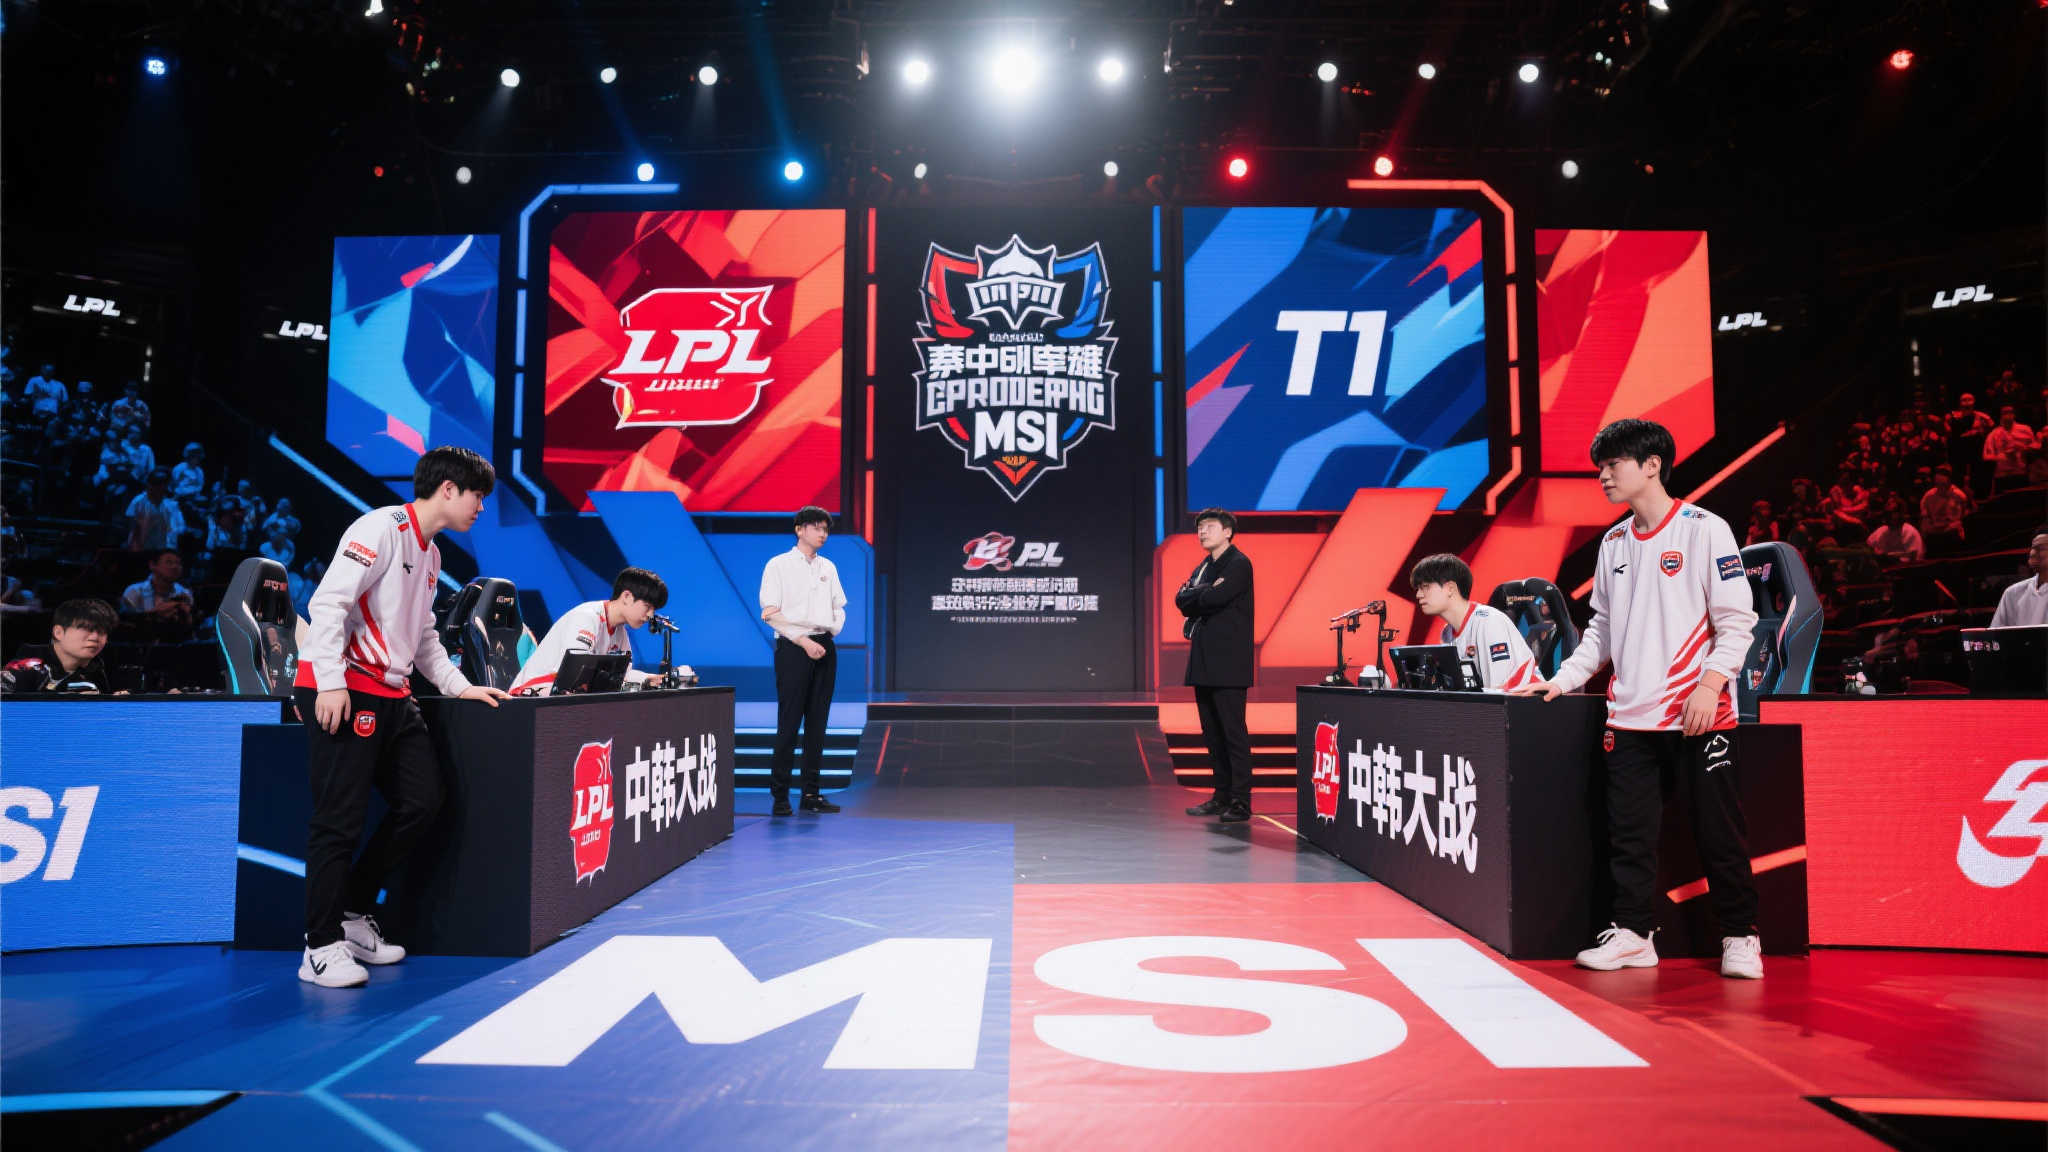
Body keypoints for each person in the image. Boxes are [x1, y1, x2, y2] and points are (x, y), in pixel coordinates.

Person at [1514, 418, 1764, 979]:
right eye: (1600, 467)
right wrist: (1562, 680)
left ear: (1652, 465)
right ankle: (1633, 935)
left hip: (1698, 714)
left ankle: (1741, 936)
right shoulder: (1613, 543)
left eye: (1613, 465)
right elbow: (1601, 631)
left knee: (1719, 832)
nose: (1603, 476)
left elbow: (1737, 621)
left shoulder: (1705, 529)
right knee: (1629, 836)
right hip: (1628, 717)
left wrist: (1709, 685)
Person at [291, 446, 510, 988]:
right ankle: (319, 947)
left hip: (392, 693)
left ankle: (352, 913)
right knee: (338, 822)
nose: (481, 507)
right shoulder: (379, 528)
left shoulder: (431, 555)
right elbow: (328, 605)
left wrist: (461, 687)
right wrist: (331, 682)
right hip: (343, 687)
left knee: (422, 801)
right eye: (477, 495)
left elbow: (425, 636)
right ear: (449, 489)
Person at [759, 506, 846, 817]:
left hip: (824, 646)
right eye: (816, 527)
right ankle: (780, 795)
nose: (823, 534)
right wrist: (803, 640)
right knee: (790, 721)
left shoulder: (828, 567)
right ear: (799, 529)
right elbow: (770, 613)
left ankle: (811, 793)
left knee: (818, 723)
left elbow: (839, 607)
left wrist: (829, 633)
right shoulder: (778, 565)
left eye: (826, 529)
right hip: (794, 648)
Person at [1177, 508, 1256, 824]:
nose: (1202, 532)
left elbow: (1213, 599)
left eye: (1209, 526)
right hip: (1203, 660)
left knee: (1233, 733)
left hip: (1229, 662)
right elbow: (1181, 600)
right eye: (1200, 527)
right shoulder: (1204, 567)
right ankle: (1220, 795)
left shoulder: (1239, 564)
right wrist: (1202, 591)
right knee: (1212, 734)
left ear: (1227, 532)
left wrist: (1198, 594)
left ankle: (1240, 801)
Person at [510, 566, 669, 695]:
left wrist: (651, 679)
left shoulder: (620, 632)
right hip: (528, 695)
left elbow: (623, 676)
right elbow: (574, 674)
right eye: (647, 606)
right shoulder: (587, 617)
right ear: (626, 596)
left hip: (563, 697)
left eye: (654, 609)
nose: (650, 615)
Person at [1410, 553, 1538, 692]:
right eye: (1418, 588)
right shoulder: (1447, 633)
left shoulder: (1488, 621)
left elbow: (1498, 693)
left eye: (1425, 587)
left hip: (1525, 702)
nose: (1418, 595)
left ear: (1450, 588)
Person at [7, 598, 117, 692]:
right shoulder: (24, 668)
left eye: (102, 631)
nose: (95, 637)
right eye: (86, 629)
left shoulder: (99, 668)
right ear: (58, 632)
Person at [1987, 527, 2048, 629]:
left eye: (2041, 548)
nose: (2033, 553)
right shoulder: (2013, 593)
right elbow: (1996, 633)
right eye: (2033, 548)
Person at [120, 548, 195, 631]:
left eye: (178, 563)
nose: (175, 566)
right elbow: (126, 622)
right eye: (169, 562)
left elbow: (188, 628)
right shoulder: (134, 591)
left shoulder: (184, 592)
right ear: (152, 565)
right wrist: (155, 613)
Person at [125, 468, 187, 552]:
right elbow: (131, 525)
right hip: (142, 547)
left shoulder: (172, 505)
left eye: (161, 485)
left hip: (164, 548)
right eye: (155, 484)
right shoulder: (138, 501)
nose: (158, 488)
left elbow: (180, 528)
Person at [1983, 406, 2039, 495]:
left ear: (2014, 414)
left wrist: (2024, 448)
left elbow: (2035, 447)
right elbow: (1986, 456)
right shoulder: (1994, 434)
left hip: (2021, 473)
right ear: (2001, 416)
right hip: (2003, 475)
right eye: (2005, 413)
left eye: (2010, 412)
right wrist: (2000, 457)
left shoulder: (2025, 429)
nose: (2008, 415)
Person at [1918, 465, 1973, 554]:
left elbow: (1964, 517)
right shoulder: (1928, 497)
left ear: (1950, 483)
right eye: (1938, 484)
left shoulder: (1960, 496)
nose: (1941, 488)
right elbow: (1924, 521)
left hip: (1952, 534)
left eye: (1944, 485)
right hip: (1934, 535)